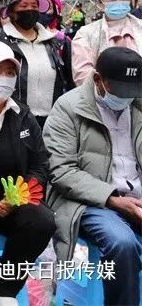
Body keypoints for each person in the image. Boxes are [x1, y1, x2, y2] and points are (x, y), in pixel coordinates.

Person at [45, 47, 142, 306]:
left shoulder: (138, 105)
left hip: (136, 195)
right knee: (122, 243)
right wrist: (112, 199)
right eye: (119, 90)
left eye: (132, 91)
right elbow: (62, 171)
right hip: (89, 201)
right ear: (98, 79)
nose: (126, 97)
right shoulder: (69, 108)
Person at [0, 42, 55, 306]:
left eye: (9, 73)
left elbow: (40, 164)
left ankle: (4, 284)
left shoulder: (22, 115)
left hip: (12, 201)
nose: (3, 78)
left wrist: (18, 196)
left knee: (42, 221)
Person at [0, 0, 72, 128]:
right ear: (12, 12)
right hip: (11, 121)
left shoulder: (55, 42)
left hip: (52, 120)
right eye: (24, 6)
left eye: (34, 6)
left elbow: (69, 79)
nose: (30, 9)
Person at [72, 0, 142, 86]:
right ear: (101, 3)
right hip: (103, 95)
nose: (119, 1)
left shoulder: (140, 27)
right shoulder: (85, 34)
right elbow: (83, 76)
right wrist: (108, 91)